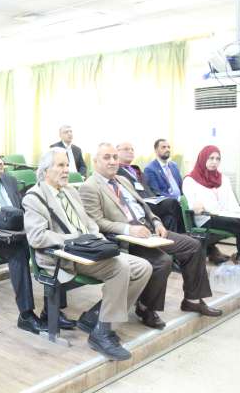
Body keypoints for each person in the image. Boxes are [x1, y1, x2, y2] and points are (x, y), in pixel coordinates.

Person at [23, 148, 151, 360]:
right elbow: (37, 237)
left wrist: (97, 238)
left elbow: (88, 222)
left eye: (67, 165)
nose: (66, 170)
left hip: (89, 249)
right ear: (46, 170)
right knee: (120, 267)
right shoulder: (34, 197)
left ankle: (96, 319)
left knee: (143, 267)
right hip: (64, 256)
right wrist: (74, 239)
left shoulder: (70, 191)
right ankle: (103, 333)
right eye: (61, 165)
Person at [79, 143, 222, 329]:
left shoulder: (122, 180)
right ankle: (146, 307)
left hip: (149, 230)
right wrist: (128, 229)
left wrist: (156, 222)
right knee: (162, 261)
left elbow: (143, 206)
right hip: (126, 238)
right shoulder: (89, 187)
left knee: (193, 245)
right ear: (95, 161)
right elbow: (97, 222)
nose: (113, 161)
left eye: (115, 157)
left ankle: (192, 300)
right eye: (107, 158)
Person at [0, 147, 70, 334]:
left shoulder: (9, 180)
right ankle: (26, 315)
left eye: (1, 157)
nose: (0, 161)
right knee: (19, 252)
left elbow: (23, 209)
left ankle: (52, 310)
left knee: (52, 245)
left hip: (18, 231)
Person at [183, 145, 240, 285]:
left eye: (217, 159)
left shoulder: (223, 179)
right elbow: (192, 204)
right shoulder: (190, 180)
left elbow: (232, 202)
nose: (214, 162)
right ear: (203, 158)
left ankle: (239, 256)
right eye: (211, 158)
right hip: (207, 217)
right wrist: (196, 206)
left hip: (228, 216)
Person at [116, 142, 185, 234]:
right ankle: (184, 233)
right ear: (117, 153)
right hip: (139, 204)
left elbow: (149, 188)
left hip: (152, 200)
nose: (130, 151)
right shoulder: (116, 171)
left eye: (132, 149)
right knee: (172, 203)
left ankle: (172, 239)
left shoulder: (136, 170)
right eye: (126, 149)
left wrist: (157, 198)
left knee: (169, 218)